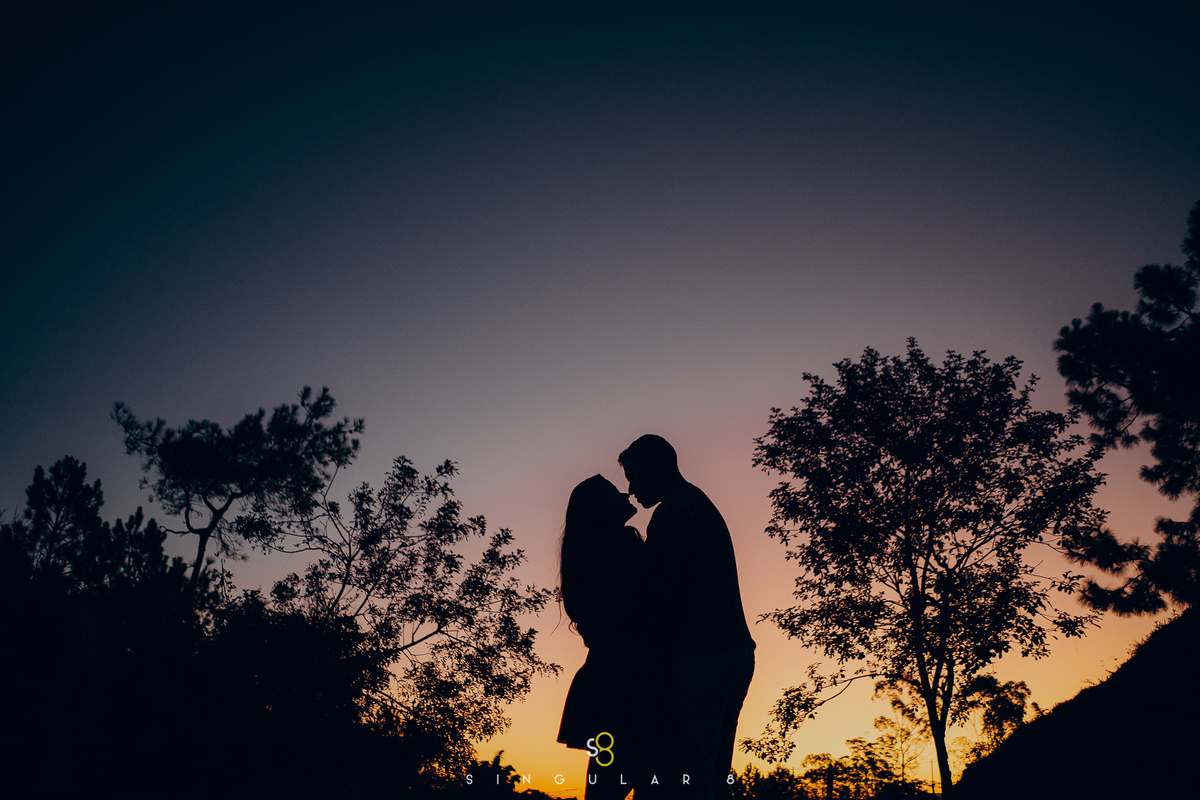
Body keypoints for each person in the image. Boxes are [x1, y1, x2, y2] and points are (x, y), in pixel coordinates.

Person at [619, 434, 755, 800]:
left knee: (692, 776)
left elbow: (656, 592)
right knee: (714, 772)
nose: (630, 490)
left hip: (702, 656)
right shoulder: (698, 504)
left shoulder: (672, 514)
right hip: (735, 651)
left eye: (634, 476)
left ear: (657, 464)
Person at [557, 474, 663, 799]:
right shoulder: (614, 543)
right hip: (630, 679)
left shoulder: (592, 550)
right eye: (612, 492)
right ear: (599, 509)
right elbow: (647, 601)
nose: (624, 493)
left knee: (607, 779)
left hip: (608, 677)